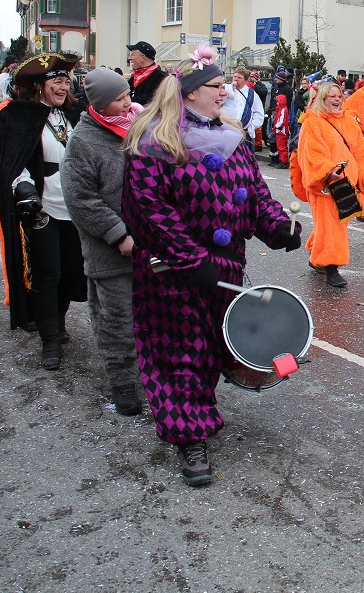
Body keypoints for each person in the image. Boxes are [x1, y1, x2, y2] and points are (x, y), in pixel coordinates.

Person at [121, 46, 301, 486]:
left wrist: (280, 229)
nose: (224, 92)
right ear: (188, 93)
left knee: (213, 350)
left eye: (223, 85)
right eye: (216, 86)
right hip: (173, 270)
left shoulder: (231, 137)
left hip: (224, 267)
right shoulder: (155, 142)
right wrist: (190, 259)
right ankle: (190, 438)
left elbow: (256, 196)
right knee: (181, 352)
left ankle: (194, 414)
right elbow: (149, 211)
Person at [0, 53, 88, 368]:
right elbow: (11, 163)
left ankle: (58, 321)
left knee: (72, 272)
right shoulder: (16, 116)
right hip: (41, 206)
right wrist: (24, 187)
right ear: (38, 85)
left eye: (64, 80)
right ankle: (50, 340)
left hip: (75, 204)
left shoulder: (75, 113)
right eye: (55, 80)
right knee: (48, 273)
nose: (62, 85)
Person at [61, 67, 142, 415]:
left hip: (146, 243)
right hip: (110, 250)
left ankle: (149, 371)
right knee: (117, 318)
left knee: (147, 314)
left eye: (127, 95)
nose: (128, 103)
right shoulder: (83, 141)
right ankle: (122, 379)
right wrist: (117, 233)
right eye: (120, 99)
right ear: (100, 103)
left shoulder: (134, 127)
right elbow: (80, 198)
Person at [297, 81, 364, 287]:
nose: (336, 100)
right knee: (333, 225)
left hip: (347, 184)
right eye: (331, 96)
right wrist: (328, 171)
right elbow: (312, 153)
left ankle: (316, 252)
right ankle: (331, 266)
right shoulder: (313, 122)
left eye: (339, 96)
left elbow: (361, 152)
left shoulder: (349, 122)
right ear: (322, 98)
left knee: (331, 224)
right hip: (326, 185)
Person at [221, 67, 265, 145]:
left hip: (244, 133)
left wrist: (250, 127)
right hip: (226, 131)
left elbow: (259, 113)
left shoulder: (252, 94)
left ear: (245, 80)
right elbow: (218, 102)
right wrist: (230, 88)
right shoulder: (226, 89)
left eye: (239, 78)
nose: (236, 79)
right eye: (235, 77)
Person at [126, 41, 167, 107]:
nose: (129, 58)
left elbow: (150, 100)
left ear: (142, 58)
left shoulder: (162, 79)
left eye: (132, 54)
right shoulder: (134, 78)